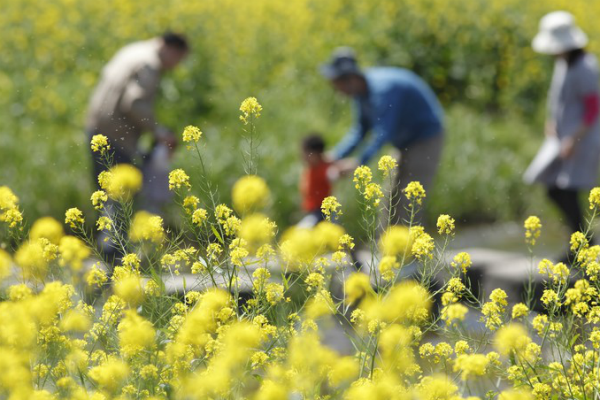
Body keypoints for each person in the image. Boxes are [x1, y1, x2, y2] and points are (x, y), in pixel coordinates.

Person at [85, 32, 189, 263]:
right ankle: (114, 260)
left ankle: (111, 259)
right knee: (119, 199)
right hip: (115, 137)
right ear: (172, 49)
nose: (176, 66)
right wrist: (159, 132)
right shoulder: (149, 63)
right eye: (179, 59)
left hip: (95, 130)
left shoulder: (132, 50)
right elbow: (135, 102)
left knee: (107, 195)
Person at [320, 47, 444, 226]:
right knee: (390, 200)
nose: (336, 90)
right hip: (403, 142)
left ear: (350, 79)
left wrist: (358, 162)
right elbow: (360, 130)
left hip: (425, 138)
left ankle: (412, 252)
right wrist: (335, 156)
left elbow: (383, 132)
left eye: (336, 84)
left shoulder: (383, 90)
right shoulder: (360, 93)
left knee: (409, 202)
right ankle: (387, 251)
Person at [528, 11, 600, 250]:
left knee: (565, 190)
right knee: (555, 188)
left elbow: (593, 109)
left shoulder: (585, 67)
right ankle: (581, 242)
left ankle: (581, 245)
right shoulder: (564, 62)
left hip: (582, 139)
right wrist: (552, 122)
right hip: (564, 139)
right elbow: (560, 100)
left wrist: (573, 138)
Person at [297, 133, 338, 228]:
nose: (303, 156)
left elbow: (334, 173)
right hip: (312, 213)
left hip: (321, 213)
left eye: (306, 153)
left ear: (317, 154)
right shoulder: (311, 168)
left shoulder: (324, 169)